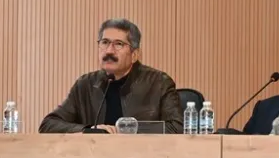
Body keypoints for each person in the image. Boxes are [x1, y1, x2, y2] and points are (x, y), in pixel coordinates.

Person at [39, 19, 183, 134]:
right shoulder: (86, 84)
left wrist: (126, 129)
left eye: (118, 44)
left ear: (134, 55)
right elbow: (48, 124)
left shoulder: (159, 83)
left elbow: (177, 128)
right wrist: (89, 130)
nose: (109, 51)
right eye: (105, 42)